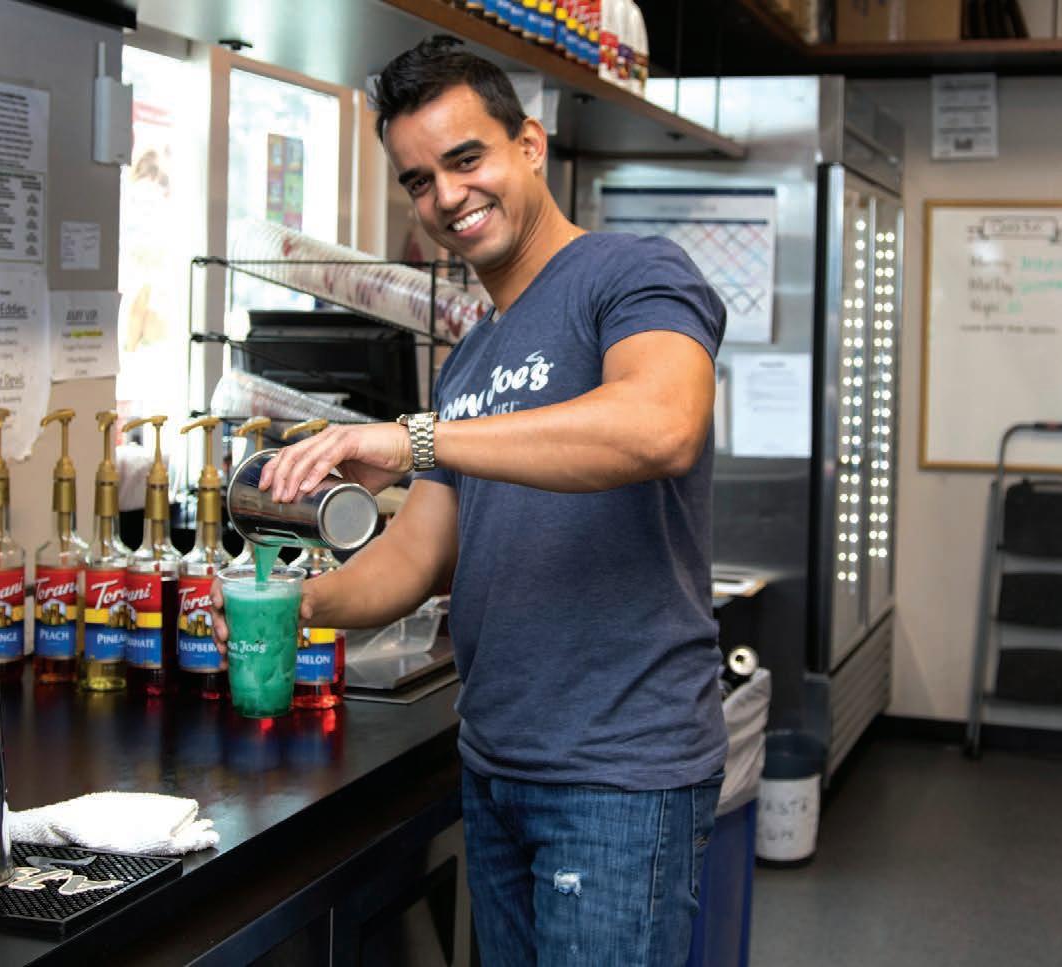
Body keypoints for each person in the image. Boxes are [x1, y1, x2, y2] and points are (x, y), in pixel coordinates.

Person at [211, 36, 727, 966]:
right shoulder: (474, 358)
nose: (446, 196)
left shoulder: (632, 273)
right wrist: (285, 604)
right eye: (419, 180)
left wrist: (410, 439)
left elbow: (660, 425)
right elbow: (415, 557)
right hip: (496, 765)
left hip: (617, 772)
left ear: (528, 144)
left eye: (465, 159)